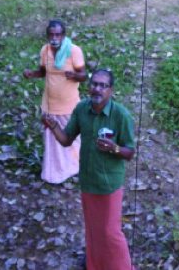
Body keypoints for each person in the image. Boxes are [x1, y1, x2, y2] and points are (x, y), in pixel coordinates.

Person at [42, 69, 136, 270]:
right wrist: (53, 125)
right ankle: (96, 265)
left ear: (111, 90)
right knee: (93, 229)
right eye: (94, 84)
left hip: (109, 184)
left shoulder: (121, 116)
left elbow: (130, 152)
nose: (97, 89)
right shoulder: (81, 109)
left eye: (103, 86)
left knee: (111, 232)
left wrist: (115, 148)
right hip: (88, 180)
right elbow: (66, 140)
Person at [22, 20, 88, 184]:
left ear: (64, 35)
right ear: (47, 36)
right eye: (51, 34)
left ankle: (76, 165)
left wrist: (75, 76)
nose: (54, 37)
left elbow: (84, 76)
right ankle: (57, 172)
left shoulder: (74, 51)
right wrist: (32, 73)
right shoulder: (45, 51)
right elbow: (43, 72)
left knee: (72, 138)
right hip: (50, 105)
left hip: (69, 105)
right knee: (54, 143)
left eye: (58, 34)